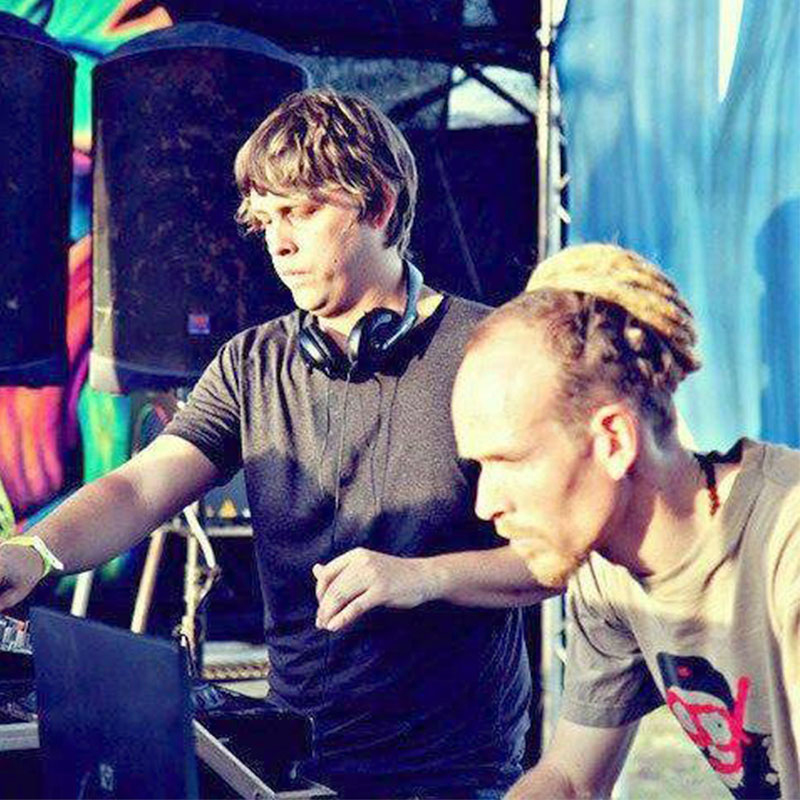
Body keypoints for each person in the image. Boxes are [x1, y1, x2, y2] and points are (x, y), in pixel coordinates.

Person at [0, 89, 549, 798]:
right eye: (266, 222)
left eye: (301, 212)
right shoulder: (250, 363)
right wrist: (36, 552)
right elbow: (139, 486)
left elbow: (556, 559)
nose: (279, 244)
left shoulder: (492, 352)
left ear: (379, 205)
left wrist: (424, 578)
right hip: (295, 759)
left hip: (450, 772)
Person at [452, 243, 799, 800]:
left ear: (613, 440)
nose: (485, 503)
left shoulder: (789, 542)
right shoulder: (607, 570)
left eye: (508, 461)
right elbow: (571, 780)